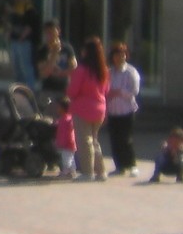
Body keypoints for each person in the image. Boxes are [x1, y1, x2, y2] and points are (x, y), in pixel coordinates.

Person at [65, 36, 111, 181]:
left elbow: (72, 91)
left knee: (84, 141)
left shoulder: (82, 70)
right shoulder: (103, 70)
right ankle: (100, 171)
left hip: (83, 108)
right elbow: (106, 89)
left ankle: (87, 172)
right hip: (100, 108)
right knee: (94, 140)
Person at [105, 41, 142, 177]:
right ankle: (119, 166)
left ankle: (131, 164)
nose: (121, 57)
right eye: (117, 54)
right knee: (115, 139)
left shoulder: (131, 71)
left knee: (126, 139)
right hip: (113, 111)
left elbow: (135, 91)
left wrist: (120, 92)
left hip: (127, 111)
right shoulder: (109, 72)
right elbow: (105, 90)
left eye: (123, 54)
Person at [8, 0, 40, 90]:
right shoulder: (14, 7)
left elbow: (31, 24)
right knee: (16, 68)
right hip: (14, 41)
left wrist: (22, 36)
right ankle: (18, 90)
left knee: (26, 67)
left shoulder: (28, 7)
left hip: (23, 42)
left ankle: (30, 90)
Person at [36, 20, 77, 98]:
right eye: (47, 32)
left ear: (58, 31)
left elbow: (74, 68)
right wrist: (54, 54)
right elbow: (43, 73)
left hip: (65, 89)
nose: (49, 35)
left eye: (51, 31)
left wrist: (61, 73)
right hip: (48, 89)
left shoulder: (67, 48)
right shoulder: (42, 51)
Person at [53, 96, 78, 179]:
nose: (57, 108)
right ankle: (72, 172)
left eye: (58, 106)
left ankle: (66, 172)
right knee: (70, 158)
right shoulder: (68, 118)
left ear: (63, 108)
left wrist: (60, 143)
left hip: (67, 143)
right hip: (71, 143)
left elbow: (64, 133)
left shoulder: (65, 120)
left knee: (66, 159)